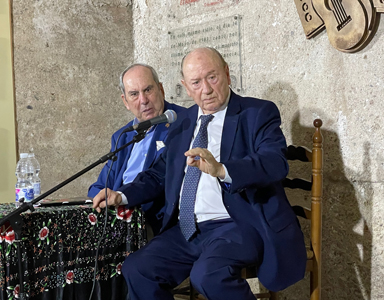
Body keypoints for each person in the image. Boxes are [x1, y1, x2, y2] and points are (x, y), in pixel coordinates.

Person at [92, 47, 306, 300]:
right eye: (196, 82)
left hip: (237, 224)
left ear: (227, 73)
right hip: (188, 229)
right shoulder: (182, 122)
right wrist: (121, 195)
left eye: (212, 77)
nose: (206, 89)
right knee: (137, 269)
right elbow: (159, 175)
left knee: (207, 275)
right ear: (186, 86)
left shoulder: (257, 113)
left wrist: (222, 170)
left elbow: (275, 163)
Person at [88, 63, 185, 235]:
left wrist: (122, 198)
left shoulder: (184, 123)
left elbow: (162, 181)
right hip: (121, 221)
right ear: (125, 101)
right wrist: (105, 197)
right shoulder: (122, 136)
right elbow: (99, 186)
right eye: (134, 94)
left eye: (148, 90)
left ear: (161, 89)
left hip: (158, 222)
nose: (143, 100)